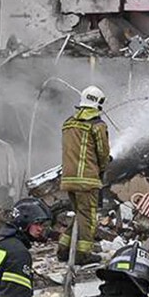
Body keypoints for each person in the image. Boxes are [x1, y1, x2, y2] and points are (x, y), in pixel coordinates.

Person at [59, 85, 111, 264]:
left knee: (79, 214)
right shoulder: (97, 126)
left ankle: (63, 249)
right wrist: (103, 167)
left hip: (68, 178)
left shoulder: (68, 123)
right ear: (98, 103)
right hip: (87, 180)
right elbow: (103, 153)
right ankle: (83, 254)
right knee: (88, 217)